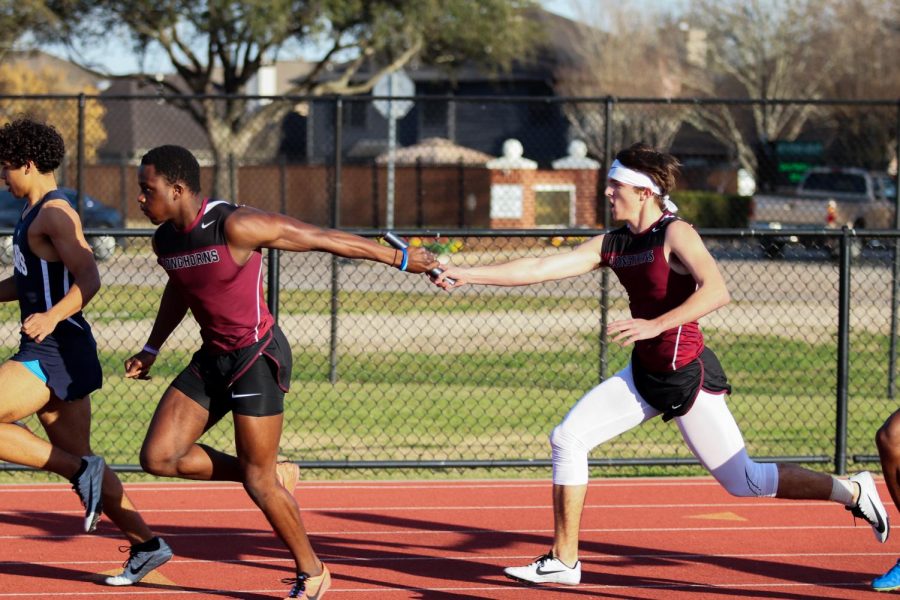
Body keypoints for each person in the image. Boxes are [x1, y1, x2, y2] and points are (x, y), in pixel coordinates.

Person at [433, 142, 890, 587]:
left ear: (644, 192)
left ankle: (852, 491)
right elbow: (540, 266)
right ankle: (564, 560)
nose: (608, 193)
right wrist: (468, 274)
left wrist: (657, 325)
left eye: (616, 187)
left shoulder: (675, 233)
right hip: (643, 375)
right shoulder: (615, 242)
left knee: (746, 481)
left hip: (687, 378)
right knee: (568, 438)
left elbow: (716, 290)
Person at [126, 144, 438, 600]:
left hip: (256, 357)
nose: (139, 198)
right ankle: (271, 472)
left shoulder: (235, 224)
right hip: (213, 357)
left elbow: (322, 238)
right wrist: (152, 346)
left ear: (176, 189)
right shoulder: (165, 241)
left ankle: (313, 573)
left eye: (145, 189)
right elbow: (181, 287)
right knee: (158, 457)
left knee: (258, 482)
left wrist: (402, 260)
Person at [0, 118, 172, 586]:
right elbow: (30, 280)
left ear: (29, 164)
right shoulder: (32, 213)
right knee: (83, 461)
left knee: (78, 464)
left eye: (6, 168)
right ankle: (148, 544)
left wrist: (53, 316)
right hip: (54, 349)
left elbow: (89, 276)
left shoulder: (56, 213)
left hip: (56, 347)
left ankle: (80, 469)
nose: (2, 177)